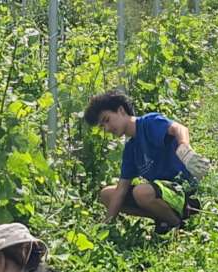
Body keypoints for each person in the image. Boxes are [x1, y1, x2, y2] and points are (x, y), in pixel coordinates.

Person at [83, 91, 210, 234]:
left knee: (141, 192)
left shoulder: (148, 123)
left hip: (183, 191)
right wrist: (105, 227)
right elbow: (121, 190)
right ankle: (162, 217)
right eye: (102, 126)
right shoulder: (130, 149)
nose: (106, 128)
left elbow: (179, 128)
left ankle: (178, 225)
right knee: (107, 195)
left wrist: (184, 148)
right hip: (163, 195)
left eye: (107, 120)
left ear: (121, 110)